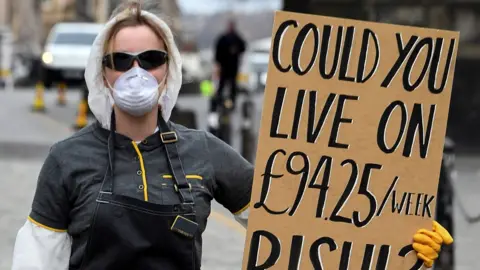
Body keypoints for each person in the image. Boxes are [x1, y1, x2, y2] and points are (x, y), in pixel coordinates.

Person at [11, 1, 452, 269]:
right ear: (102, 72)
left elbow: (304, 223)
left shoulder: (204, 151)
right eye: (121, 61)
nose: (136, 72)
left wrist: (398, 236)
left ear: (170, 69)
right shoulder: (66, 159)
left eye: (150, 58)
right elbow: (36, 262)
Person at [211, 19, 246, 112]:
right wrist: (218, 62)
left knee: (233, 85)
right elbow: (217, 51)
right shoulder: (223, 38)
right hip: (224, 66)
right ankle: (219, 101)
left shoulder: (237, 38)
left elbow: (243, 47)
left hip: (233, 67)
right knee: (222, 84)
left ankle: (232, 102)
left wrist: (236, 51)